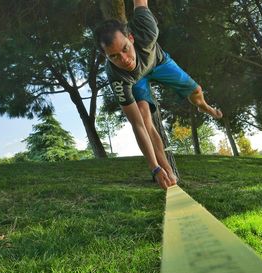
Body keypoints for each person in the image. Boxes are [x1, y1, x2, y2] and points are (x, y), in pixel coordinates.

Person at [94, 0, 222, 189]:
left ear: (131, 38)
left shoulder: (146, 29)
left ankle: (204, 106)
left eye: (125, 49)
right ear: (106, 56)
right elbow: (137, 125)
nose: (124, 60)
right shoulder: (117, 76)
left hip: (159, 63)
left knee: (196, 92)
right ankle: (167, 170)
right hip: (136, 80)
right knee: (145, 119)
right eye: (114, 56)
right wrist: (154, 167)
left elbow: (140, 3)